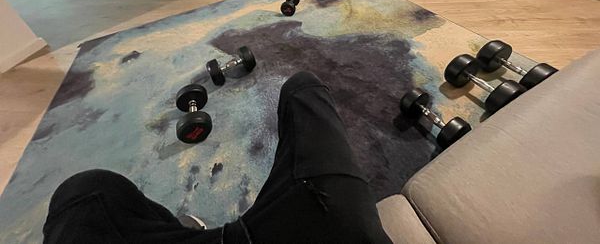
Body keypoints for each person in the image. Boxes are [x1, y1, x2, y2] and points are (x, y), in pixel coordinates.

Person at [43, 72, 392, 244]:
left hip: (322, 221)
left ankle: (176, 229)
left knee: (86, 191)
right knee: (303, 87)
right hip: (328, 220)